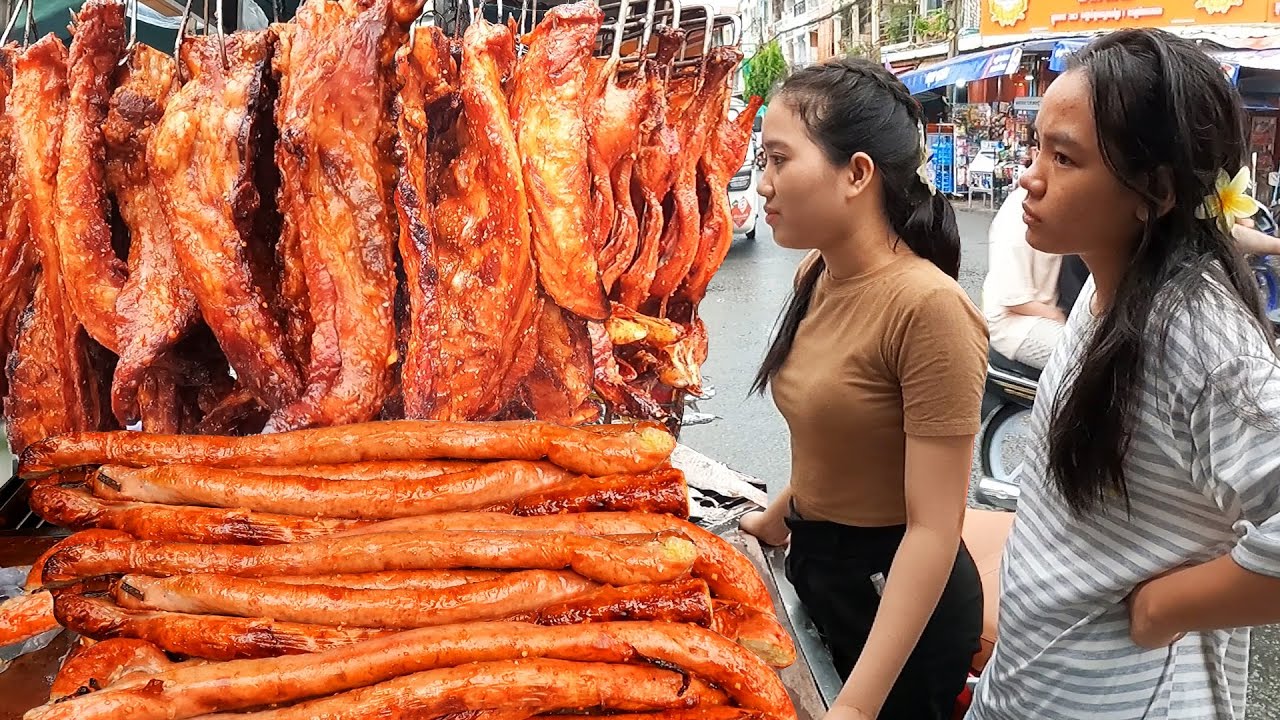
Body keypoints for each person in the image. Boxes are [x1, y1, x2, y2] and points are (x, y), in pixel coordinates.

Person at [969, 29, 1280, 720]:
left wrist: (1164, 609)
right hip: (1031, 688)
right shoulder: (1110, 280)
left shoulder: (1199, 334)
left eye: (1064, 157)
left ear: (1154, 191)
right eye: (1036, 146)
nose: (1029, 174)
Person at [738, 57, 988, 720]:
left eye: (779, 160)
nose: (763, 185)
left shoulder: (929, 309)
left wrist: (857, 706)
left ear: (856, 173)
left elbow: (934, 530)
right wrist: (775, 517)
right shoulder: (816, 275)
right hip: (819, 565)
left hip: (898, 603)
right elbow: (841, 438)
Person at [983, 185, 1065, 369]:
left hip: (1049, 309)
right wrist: (1061, 317)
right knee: (1091, 358)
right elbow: (1015, 300)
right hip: (1017, 322)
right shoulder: (1021, 211)